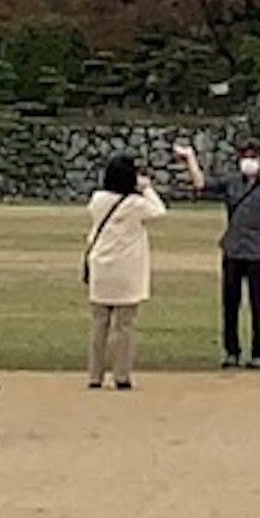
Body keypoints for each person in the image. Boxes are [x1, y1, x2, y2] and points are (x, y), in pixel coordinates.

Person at [175, 141, 260, 368]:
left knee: (258, 303)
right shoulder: (231, 182)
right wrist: (190, 160)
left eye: (253, 156)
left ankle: (259, 352)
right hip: (233, 250)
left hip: (258, 252)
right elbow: (201, 184)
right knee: (230, 303)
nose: (248, 161)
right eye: (245, 156)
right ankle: (231, 351)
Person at [80, 154, 168, 390]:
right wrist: (146, 188)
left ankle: (94, 375)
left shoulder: (98, 199)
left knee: (100, 323)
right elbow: (159, 211)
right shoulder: (135, 204)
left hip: (101, 266)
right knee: (125, 324)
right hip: (126, 269)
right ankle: (122, 375)